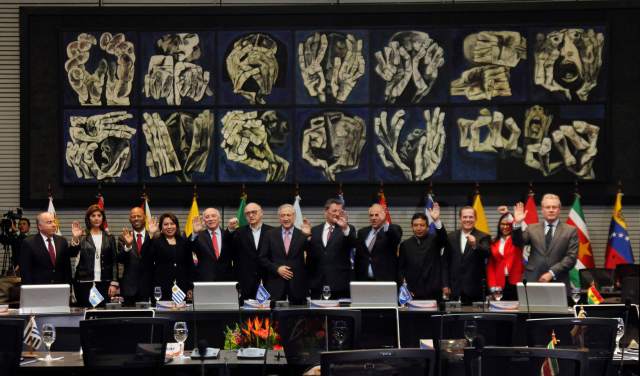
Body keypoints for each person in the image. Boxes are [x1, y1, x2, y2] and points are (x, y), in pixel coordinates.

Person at [512, 194, 578, 290]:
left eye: (554, 207)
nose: (551, 210)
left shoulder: (570, 230)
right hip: (533, 280)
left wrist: (552, 273)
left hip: (558, 279)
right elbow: (518, 243)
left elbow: (571, 258)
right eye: (547, 207)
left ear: (559, 209)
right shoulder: (531, 228)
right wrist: (517, 224)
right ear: (542, 210)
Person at [258, 204, 310, 305]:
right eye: (283, 215)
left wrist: (308, 236)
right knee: (275, 319)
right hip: (275, 285)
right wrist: (277, 268)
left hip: (297, 286)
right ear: (279, 217)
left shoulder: (302, 234)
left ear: (294, 217)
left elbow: (312, 255)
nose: (286, 218)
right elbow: (262, 258)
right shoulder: (269, 234)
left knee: (299, 319)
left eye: (288, 215)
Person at [307, 198, 357, 299]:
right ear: (326, 212)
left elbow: (353, 244)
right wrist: (305, 237)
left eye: (340, 211)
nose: (337, 214)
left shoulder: (348, 228)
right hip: (317, 284)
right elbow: (311, 255)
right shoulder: (314, 230)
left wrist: (345, 228)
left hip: (339, 284)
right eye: (334, 211)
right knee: (317, 314)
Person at [70, 204, 119, 306]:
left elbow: (114, 261)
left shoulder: (110, 238)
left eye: (99, 215)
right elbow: (71, 253)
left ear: (103, 218)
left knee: (102, 316)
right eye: (93, 216)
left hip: (104, 282)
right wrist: (75, 238)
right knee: (85, 314)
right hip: (84, 282)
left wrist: (114, 283)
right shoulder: (82, 236)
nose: (96, 218)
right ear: (88, 218)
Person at [398, 205, 448, 300]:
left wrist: (436, 220)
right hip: (412, 291)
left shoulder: (435, 240)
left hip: (433, 292)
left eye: (422, 225)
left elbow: (444, 239)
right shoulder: (405, 244)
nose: (419, 228)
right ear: (412, 227)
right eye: (415, 225)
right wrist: (405, 287)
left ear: (428, 227)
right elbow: (401, 269)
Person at [444, 206, 491, 304]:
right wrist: (445, 284)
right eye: (465, 217)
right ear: (460, 218)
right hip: (454, 289)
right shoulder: (450, 237)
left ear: (476, 219)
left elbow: (487, 253)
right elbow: (445, 262)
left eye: (471, 217)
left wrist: (475, 245)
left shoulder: (483, 236)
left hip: (475, 290)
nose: (468, 220)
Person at [228, 202, 273, 302]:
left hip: (267, 282)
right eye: (247, 213)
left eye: (254, 212)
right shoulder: (238, 232)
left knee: (266, 316)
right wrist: (230, 231)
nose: (251, 215)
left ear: (261, 213)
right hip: (245, 283)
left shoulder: (273, 232)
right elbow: (228, 250)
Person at [146, 213, 193, 301]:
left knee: (181, 314)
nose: (169, 227)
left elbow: (189, 265)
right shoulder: (155, 242)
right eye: (166, 224)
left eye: (172, 223)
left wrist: (190, 286)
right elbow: (146, 257)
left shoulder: (184, 242)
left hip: (182, 288)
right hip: (161, 288)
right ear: (161, 227)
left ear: (176, 225)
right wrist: (150, 235)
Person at [19, 212, 72, 285]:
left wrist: (68, 288)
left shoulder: (62, 241)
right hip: (38, 289)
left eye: (54, 222)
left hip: (59, 288)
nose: (54, 225)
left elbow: (67, 268)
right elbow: (25, 271)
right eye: (49, 222)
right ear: (40, 226)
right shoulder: (29, 243)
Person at [355, 204, 402, 281]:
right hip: (364, 279)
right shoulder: (362, 232)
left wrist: (385, 222)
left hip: (385, 279)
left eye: (377, 215)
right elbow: (358, 257)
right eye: (371, 215)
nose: (373, 218)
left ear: (384, 215)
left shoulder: (393, 229)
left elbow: (395, 238)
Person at [118, 207, 152, 305]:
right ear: (130, 220)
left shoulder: (154, 235)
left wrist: (151, 237)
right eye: (133, 217)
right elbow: (120, 259)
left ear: (145, 218)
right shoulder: (123, 237)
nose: (136, 218)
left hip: (149, 286)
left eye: (139, 216)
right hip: (129, 288)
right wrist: (128, 245)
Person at [189, 207, 234, 281]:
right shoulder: (198, 236)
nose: (210, 219)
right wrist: (195, 233)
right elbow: (189, 248)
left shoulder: (228, 235)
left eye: (213, 216)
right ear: (204, 221)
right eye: (207, 217)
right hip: (205, 280)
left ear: (219, 218)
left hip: (227, 280)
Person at [486, 212, 523, 301]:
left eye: (508, 224)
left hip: (515, 281)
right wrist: (492, 285)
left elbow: (518, 229)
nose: (505, 227)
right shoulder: (493, 242)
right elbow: (491, 266)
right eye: (503, 224)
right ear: (499, 225)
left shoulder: (517, 240)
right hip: (499, 283)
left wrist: (508, 214)